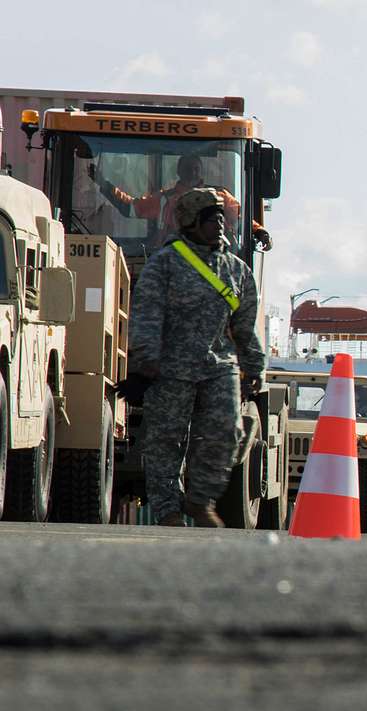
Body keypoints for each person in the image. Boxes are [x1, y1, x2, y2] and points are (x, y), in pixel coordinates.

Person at [121, 187, 266, 528]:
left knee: (226, 432)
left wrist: (254, 366)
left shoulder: (237, 271)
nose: (218, 224)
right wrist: (145, 363)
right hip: (170, 369)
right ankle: (169, 509)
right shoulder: (165, 265)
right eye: (209, 218)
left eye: (220, 217)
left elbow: (244, 327)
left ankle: (201, 501)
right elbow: (146, 317)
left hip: (220, 367)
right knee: (165, 441)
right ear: (189, 222)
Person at [95, 152, 271, 250]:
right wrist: (103, 184)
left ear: (201, 171)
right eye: (188, 168)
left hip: (211, 259)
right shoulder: (165, 199)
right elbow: (130, 208)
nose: (192, 172)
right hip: (172, 255)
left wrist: (260, 232)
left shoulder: (220, 197)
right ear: (178, 170)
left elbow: (240, 218)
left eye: (196, 168)